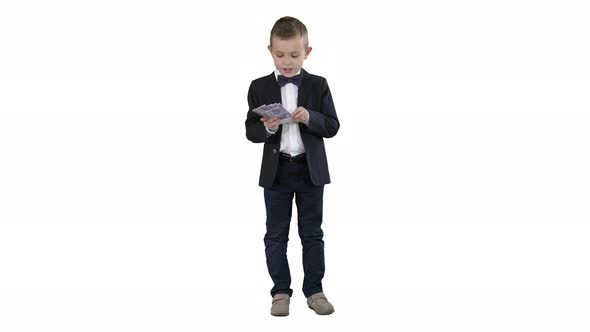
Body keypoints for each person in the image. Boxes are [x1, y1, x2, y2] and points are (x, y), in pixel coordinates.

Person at [245, 16, 340, 316]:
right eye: (280, 54)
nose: (287, 61)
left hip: (310, 171)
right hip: (277, 172)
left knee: (312, 233)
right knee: (275, 234)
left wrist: (309, 117)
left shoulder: (318, 84)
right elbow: (250, 131)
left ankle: (315, 290)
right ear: (270, 51)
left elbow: (333, 126)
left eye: (295, 55)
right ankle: (280, 292)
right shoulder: (258, 86)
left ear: (307, 52)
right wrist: (268, 128)